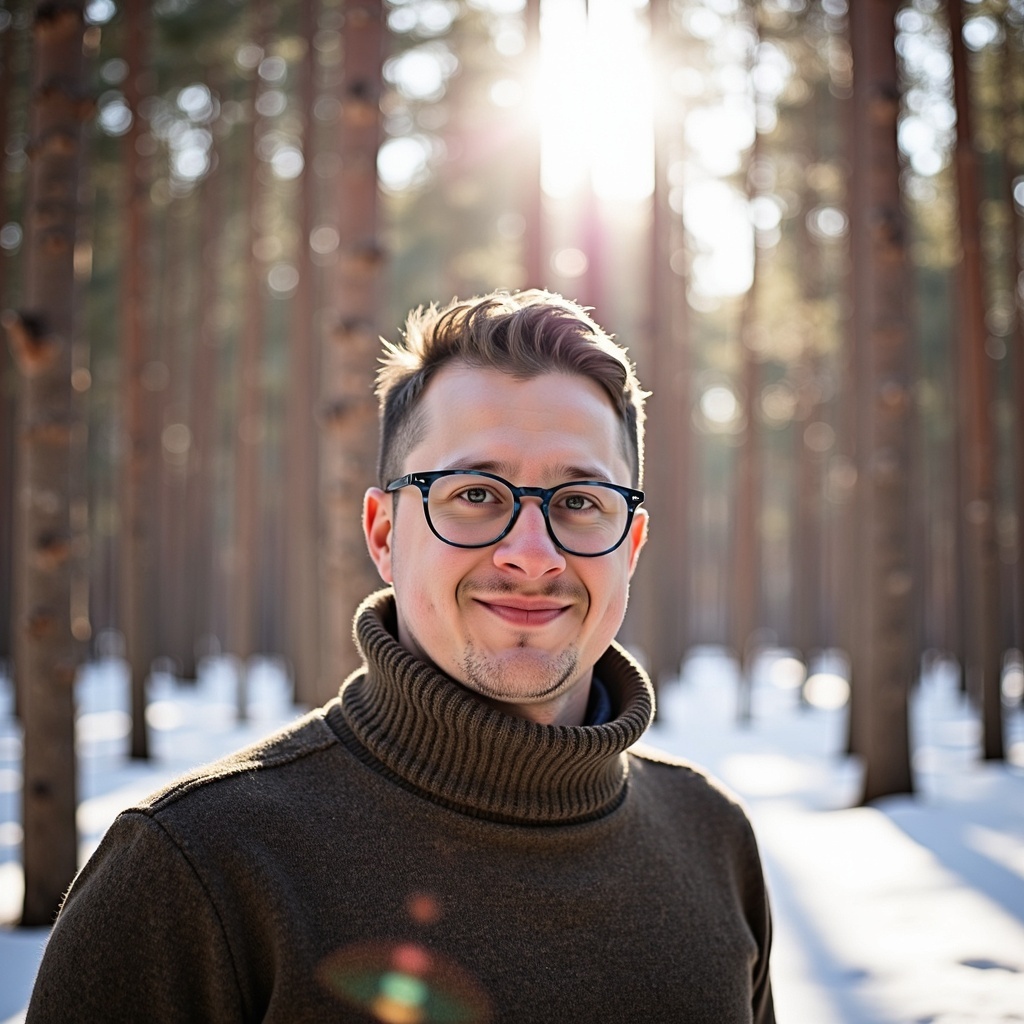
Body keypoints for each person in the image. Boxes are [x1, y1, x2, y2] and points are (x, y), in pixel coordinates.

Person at [27, 290, 775, 1023]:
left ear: (631, 545)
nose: (531, 555)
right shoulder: (194, 868)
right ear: (384, 534)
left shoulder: (711, 838)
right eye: (476, 494)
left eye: (581, 502)